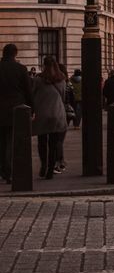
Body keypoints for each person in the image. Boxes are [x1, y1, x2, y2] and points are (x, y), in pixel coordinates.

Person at [0, 44, 34, 184]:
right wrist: (32, 109)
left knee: (1, 141)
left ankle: (3, 170)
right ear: (15, 54)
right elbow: (28, 91)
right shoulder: (21, 69)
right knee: (13, 142)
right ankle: (9, 172)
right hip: (17, 110)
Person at [32, 56, 67, 179]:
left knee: (42, 142)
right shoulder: (61, 79)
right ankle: (50, 170)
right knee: (54, 143)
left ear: (44, 65)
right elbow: (63, 96)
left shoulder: (38, 79)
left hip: (42, 113)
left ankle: (43, 165)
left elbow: (32, 94)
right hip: (57, 113)